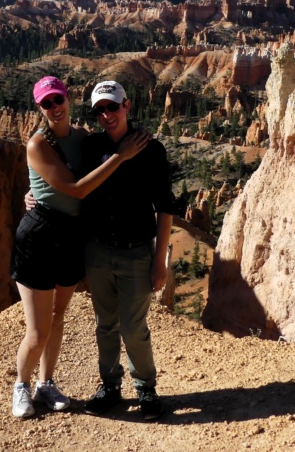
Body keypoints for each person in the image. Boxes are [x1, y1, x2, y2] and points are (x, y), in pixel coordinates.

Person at [10, 76, 149, 419]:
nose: (54, 108)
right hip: (40, 235)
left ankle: (46, 383)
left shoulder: (83, 139)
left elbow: (102, 178)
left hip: (72, 236)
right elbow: (76, 190)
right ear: (39, 108)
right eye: (46, 104)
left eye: (58, 100)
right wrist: (120, 155)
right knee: (38, 328)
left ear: (68, 99)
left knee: (57, 318)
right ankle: (21, 386)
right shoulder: (38, 145)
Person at [80, 80, 178, 421]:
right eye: (99, 110)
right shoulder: (91, 148)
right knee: (105, 323)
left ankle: (146, 389)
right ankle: (110, 387)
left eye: (112, 107)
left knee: (133, 327)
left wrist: (160, 261)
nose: (107, 115)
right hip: (97, 251)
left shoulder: (152, 151)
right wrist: (30, 195)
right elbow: (66, 184)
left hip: (136, 253)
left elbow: (165, 208)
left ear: (127, 106)